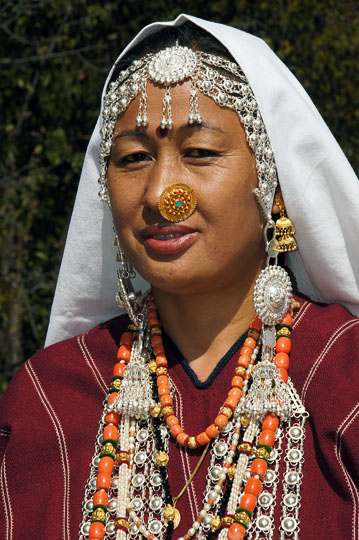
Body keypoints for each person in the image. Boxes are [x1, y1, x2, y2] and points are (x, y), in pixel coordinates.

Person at [1, 14, 359, 540]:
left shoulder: (345, 382)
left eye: (199, 153)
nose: (161, 193)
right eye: (133, 158)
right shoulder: (51, 399)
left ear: (273, 181)